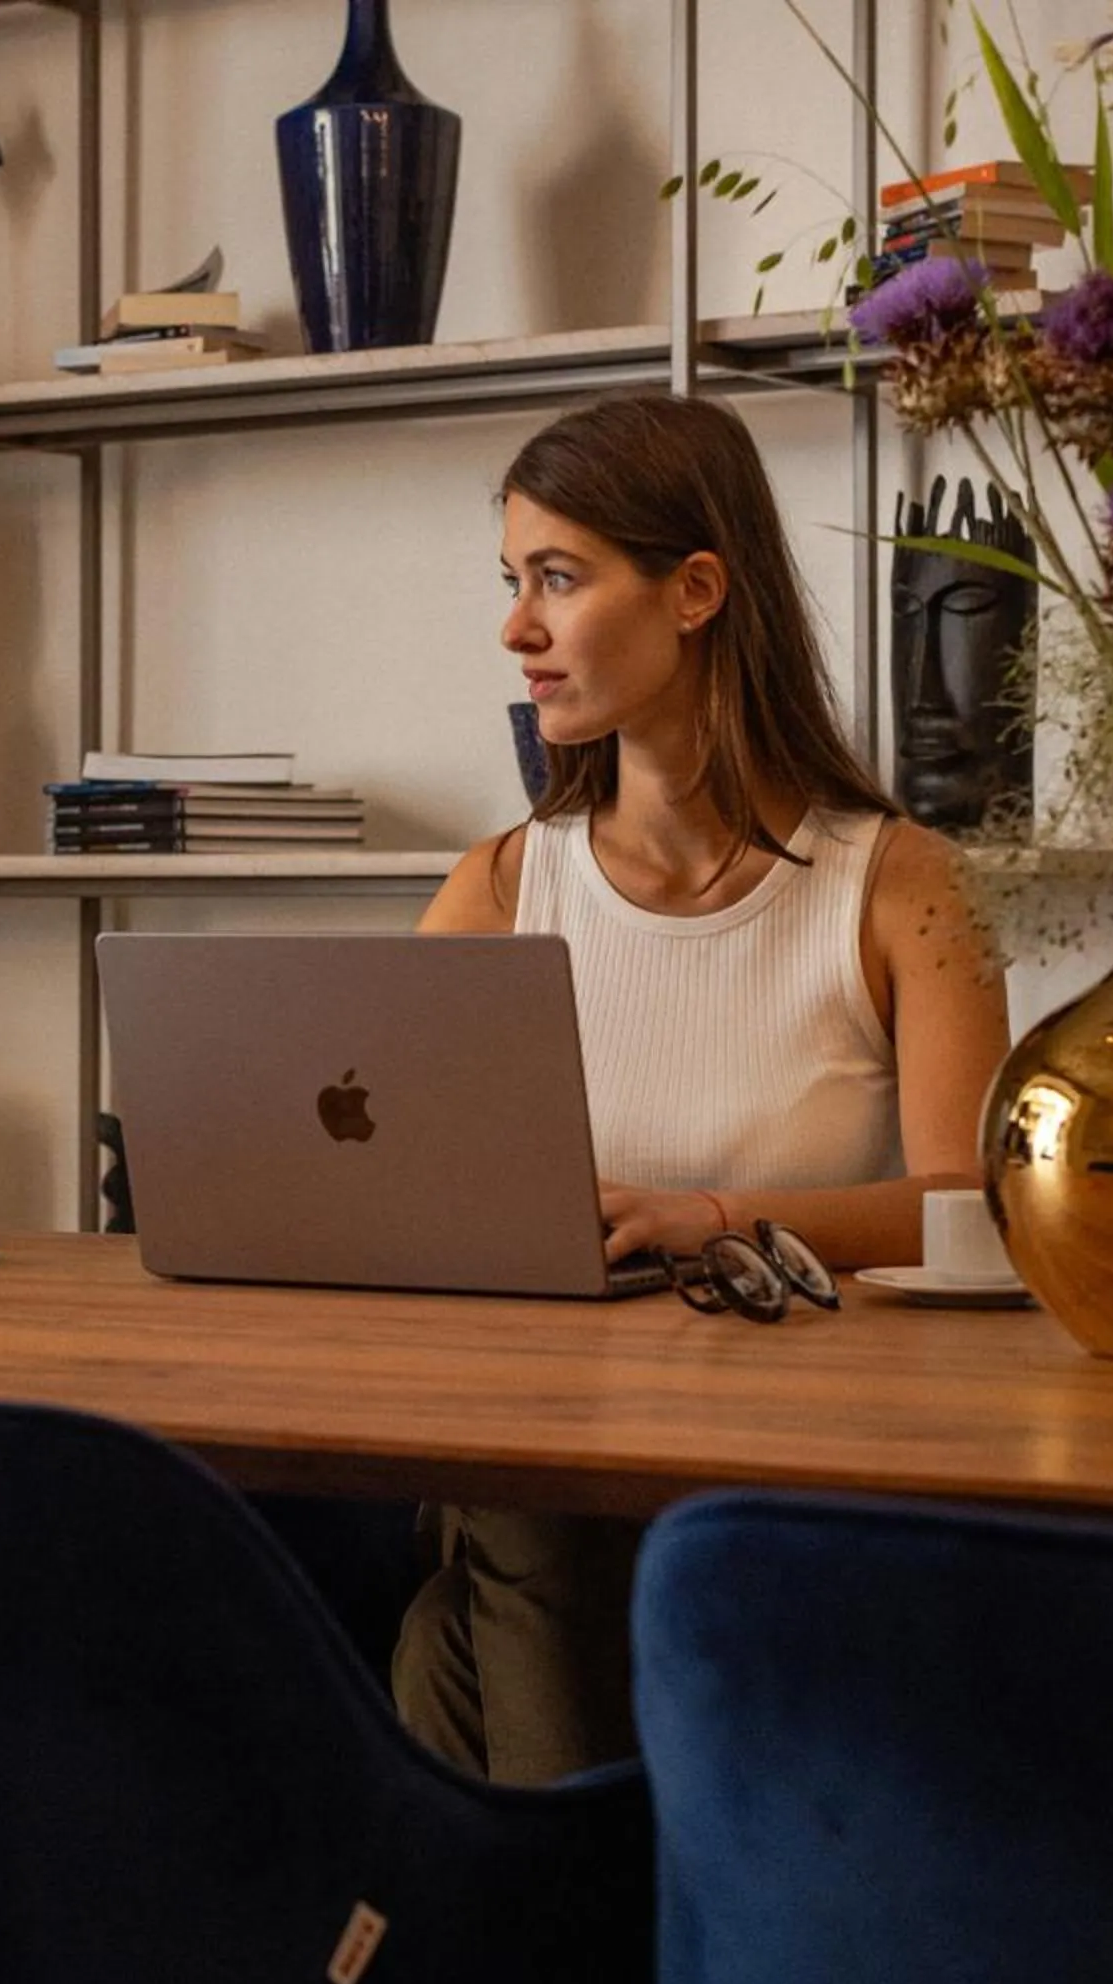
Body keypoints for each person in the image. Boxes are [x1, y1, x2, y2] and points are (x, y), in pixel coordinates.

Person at [392, 392, 1011, 1783]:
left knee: (447, 1644)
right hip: (546, 1460)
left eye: (558, 578)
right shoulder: (500, 888)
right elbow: (399, 1187)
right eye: (513, 582)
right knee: (494, 1551)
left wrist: (719, 1215)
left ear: (696, 591)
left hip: (795, 1465)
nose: (517, 630)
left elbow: (968, 1211)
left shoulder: (899, 884)